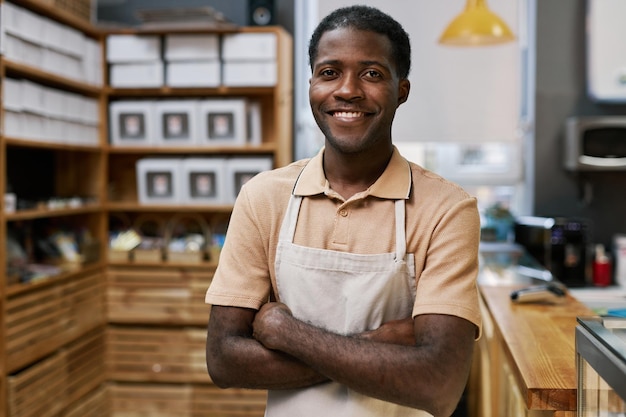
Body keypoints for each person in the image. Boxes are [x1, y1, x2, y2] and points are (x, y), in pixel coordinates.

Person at [205, 5, 481, 417]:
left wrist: (286, 332)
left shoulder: (447, 209)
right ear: (312, 84)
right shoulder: (264, 197)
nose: (347, 90)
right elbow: (224, 360)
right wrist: (379, 348)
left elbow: (438, 383)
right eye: (330, 72)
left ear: (401, 91)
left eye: (371, 74)